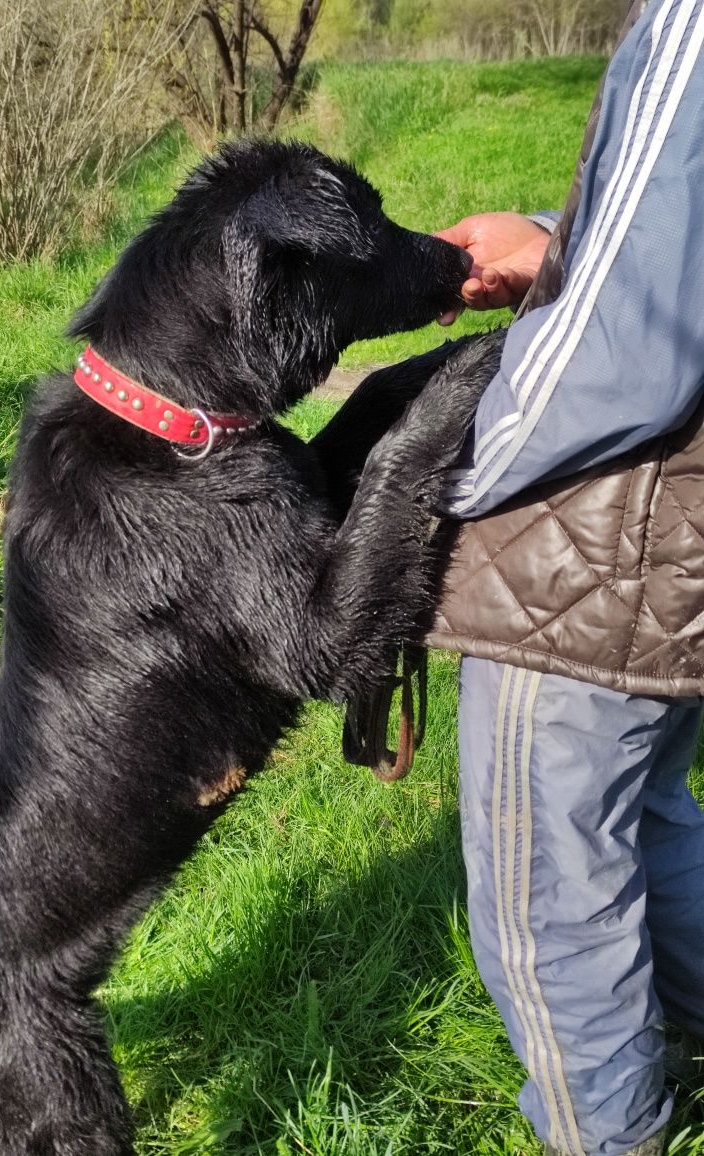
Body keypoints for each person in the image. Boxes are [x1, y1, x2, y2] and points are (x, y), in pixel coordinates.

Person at [424, 2, 704, 1154]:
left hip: (607, 540)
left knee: (547, 895)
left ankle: (611, 1136)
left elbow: (624, 350)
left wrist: (436, 481)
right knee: (637, 819)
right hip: (677, 533)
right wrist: (562, 239)